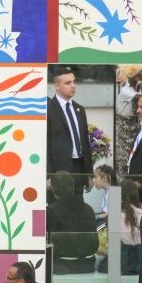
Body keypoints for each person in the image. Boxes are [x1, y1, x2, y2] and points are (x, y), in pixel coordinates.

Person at [48, 67, 93, 195]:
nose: (73, 86)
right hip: (59, 170)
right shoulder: (49, 110)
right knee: (59, 209)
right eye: (68, 83)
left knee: (77, 204)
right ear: (57, 86)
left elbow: (85, 142)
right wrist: (48, 176)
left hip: (78, 167)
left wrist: (89, 174)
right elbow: (45, 144)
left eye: (74, 82)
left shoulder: (79, 109)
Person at [48, 171, 99, 273]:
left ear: (52, 189)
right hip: (88, 265)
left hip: (60, 267)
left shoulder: (50, 211)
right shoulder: (89, 209)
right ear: (72, 186)